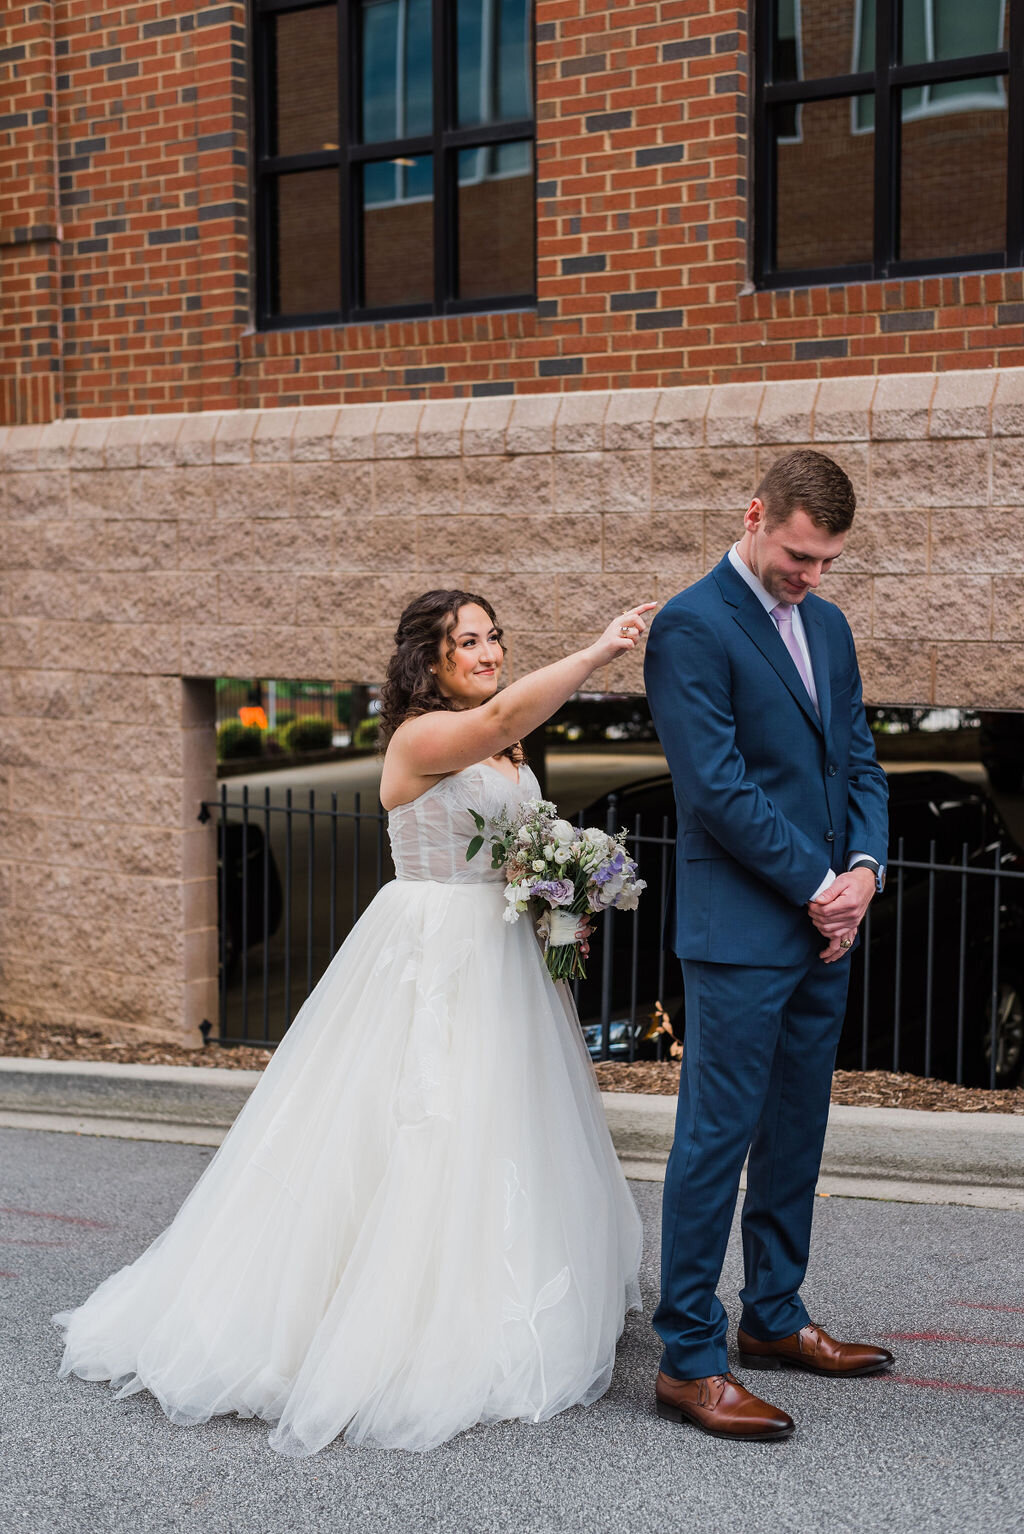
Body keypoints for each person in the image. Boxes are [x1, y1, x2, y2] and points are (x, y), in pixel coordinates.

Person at [55, 590, 652, 1457]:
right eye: (468, 643)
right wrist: (599, 652)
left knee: (501, 1124)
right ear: (430, 660)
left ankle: (496, 1290)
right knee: (421, 1122)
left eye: (494, 638)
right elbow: (516, 710)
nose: (488, 653)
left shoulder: (499, 735)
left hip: (503, 955)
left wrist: (554, 897)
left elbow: (510, 829)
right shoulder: (423, 737)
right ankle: (388, 1320)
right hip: (433, 950)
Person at [643, 449, 892, 1443]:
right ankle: (687, 1357)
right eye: (798, 554)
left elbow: (860, 762)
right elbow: (716, 788)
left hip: (824, 928)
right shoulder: (689, 625)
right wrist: (818, 886)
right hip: (743, 931)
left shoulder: (827, 627)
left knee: (797, 1131)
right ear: (755, 515)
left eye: (827, 561)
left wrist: (865, 867)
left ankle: (774, 1318)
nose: (812, 576)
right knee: (716, 1138)